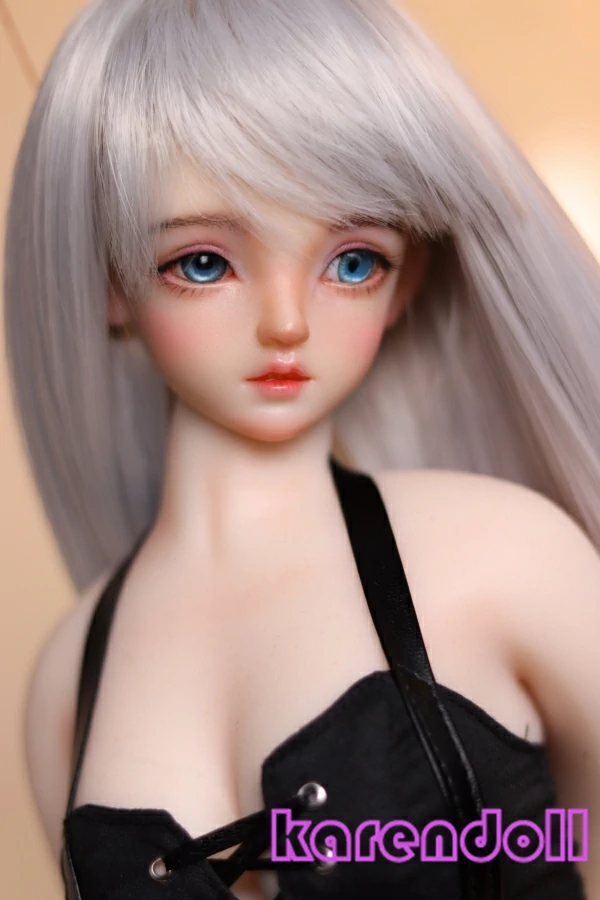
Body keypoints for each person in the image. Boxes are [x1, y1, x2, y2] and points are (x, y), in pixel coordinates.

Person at [4, 0, 600, 897]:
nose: (285, 322)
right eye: (202, 262)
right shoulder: (67, 682)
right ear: (108, 280)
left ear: (405, 283)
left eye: (354, 262)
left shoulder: (509, 558)